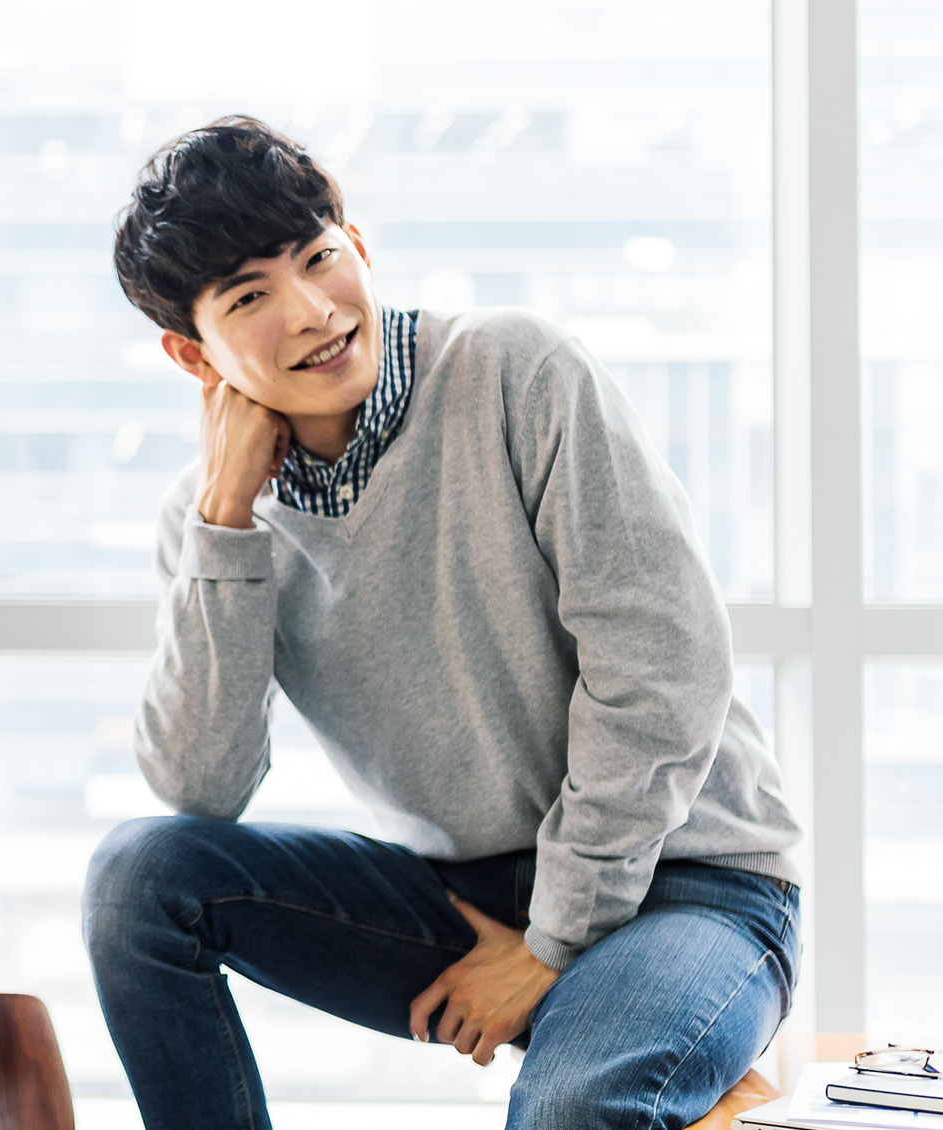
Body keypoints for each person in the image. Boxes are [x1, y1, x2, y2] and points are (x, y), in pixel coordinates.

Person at [83, 116, 802, 1130]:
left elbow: (663, 666)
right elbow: (202, 788)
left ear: (358, 245)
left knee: (571, 1109)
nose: (312, 312)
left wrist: (551, 942)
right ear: (190, 354)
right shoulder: (211, 523)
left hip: (687, 882)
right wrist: (229, 521)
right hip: (465, 899)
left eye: (317, 259)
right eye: (249, 297)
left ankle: (601, 1010)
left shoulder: (515, 371)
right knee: (140, 880)